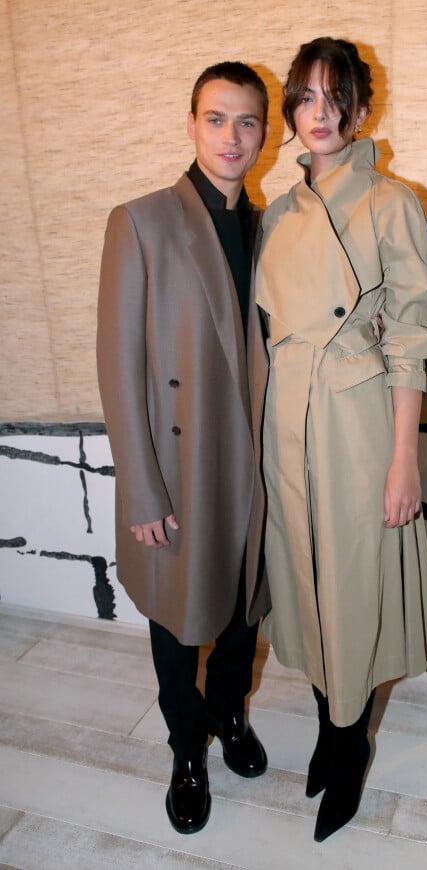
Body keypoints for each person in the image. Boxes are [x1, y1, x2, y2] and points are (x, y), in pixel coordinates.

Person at [255, 37, 427, 842]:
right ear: (293, 111)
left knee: (355, 582)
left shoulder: (394, 202)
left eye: (336, 97)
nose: (320, 113)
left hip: (359, 419)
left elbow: (411, 336)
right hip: (286, 418)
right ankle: (333, 724)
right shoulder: (278, 209)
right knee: (304, 574)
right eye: (305, 97)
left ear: (362, 109)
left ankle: (347, 743)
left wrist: (405, 457)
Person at [97, 61, 271, 835]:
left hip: (257, 466)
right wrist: (140, 491)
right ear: (191, 123)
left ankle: (229, 716)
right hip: (182, 465)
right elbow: (117, 364)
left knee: (241, 611)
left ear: (266, 133)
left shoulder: (276, 227)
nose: (230, 137)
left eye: (247, 122)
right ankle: (186, 749)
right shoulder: (141, 221)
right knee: (177, 619)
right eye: (215, 118)